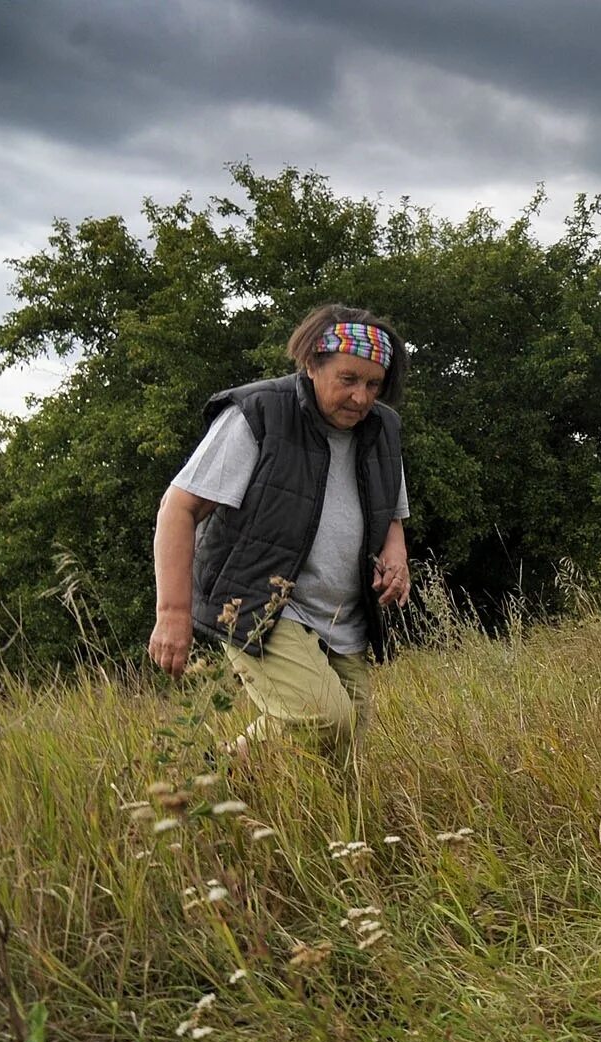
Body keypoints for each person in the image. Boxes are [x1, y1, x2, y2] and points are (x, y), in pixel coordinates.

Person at [148, 304, 412, 758]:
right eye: (348, 380)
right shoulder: (260, 413)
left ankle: (230, 780)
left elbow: (390, 506)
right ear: (312, 364)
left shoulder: (382, 428)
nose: (361, 398)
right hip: (258, 602)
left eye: (373, 384)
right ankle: (226, 772)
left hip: (342, 613)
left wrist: (397, 552)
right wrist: (172, 612)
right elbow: (178, 507)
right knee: (326, 719)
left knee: (343, 746)